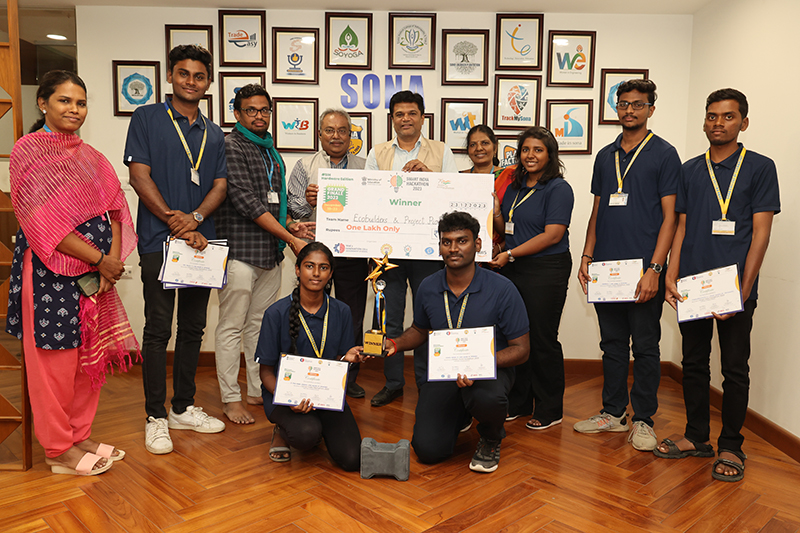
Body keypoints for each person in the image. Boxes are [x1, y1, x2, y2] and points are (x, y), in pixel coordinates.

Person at [7, 70, 139, 475]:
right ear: (42, 103)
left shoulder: (91, 157)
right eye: (64, 100)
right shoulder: (29, 151)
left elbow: (115, 212)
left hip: (95, 277)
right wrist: (101, 260)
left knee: (86, 359)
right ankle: (58, 449)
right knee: (55, 364)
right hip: (49, 275)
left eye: (80, 103)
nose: (74, 109)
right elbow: (42, 222)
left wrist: (110, 263)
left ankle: (79, 435)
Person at [656, 89, 780, 483]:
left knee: (734, 369)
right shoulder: (690, 169)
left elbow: (761, 233)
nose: (718, 123)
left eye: (728, 116)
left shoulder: (760, 167)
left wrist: (744, 289)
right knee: (693, 364)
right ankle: (697, 437)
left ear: (744, 122)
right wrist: (670, 274)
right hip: (692, 284)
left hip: (734, 287)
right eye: (712, 116)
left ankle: (731, 445)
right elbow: (682, 226)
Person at [124, 45, 227, 454]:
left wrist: (196, 219)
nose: (191, 81)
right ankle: (155, 416)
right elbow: (138, 176)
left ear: (208, 82)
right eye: (183, 73)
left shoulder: (214, 132)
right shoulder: (147, 117)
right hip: (158, 240)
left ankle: (183, 407)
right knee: (158, 328)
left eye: (199, 76)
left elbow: (219, 185)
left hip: (202, 242)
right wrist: (174, 220)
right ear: (170, 76)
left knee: (193, 328)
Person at [574, 80, 681, 451]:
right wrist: (586, 256)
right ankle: (613, 413)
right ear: (616, 108)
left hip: (644, 272)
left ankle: (644, 420)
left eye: (638, 104)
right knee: (612, 345)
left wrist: (655, 269)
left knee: (646, 346)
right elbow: (597, 210)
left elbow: (671, 218)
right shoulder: (605, 156)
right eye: (623, 104)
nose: (629, 110)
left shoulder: (665, 154)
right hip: (607, 270)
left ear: (651, 109)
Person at [385, 212, 529, 473]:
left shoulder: (502, 289)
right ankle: (460, 413)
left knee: (488, 398)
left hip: (489, 373)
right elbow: (419, 330)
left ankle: (491, 436)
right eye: (446, 242)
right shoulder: (428, 286)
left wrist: (479, 364)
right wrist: (394, 344)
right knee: (428, 450)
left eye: (462, 241)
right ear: (439, 246)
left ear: (477, 244)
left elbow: (521, 350)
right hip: (445, 373)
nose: (453, 248)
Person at [214, 84, 313, 425]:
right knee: (231, 326)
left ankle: (257, 388)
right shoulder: (231, 146)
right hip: (239, 252)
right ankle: (230, 398)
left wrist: (291, 226)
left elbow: (273, 203)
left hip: (269, 253)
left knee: (258, 325)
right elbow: (246, 202)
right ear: (237, 113)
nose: (259, 116)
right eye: (251, 110)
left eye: (264, 110)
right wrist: (290, 238)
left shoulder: (271, 151)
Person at [365, 90, 459, 406]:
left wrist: (429, 177)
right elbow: (367, 197)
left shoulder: (442, 151)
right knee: (389, 319)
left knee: (427, 318)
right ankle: (393, 382)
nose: (406, 119)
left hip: (428, 250)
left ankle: (426, 382)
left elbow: (455, 195)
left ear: (422, 117)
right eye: (399, 114)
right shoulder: (377, 153)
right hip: (388, 251)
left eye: (412, 113)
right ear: (392, 119)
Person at [490, 126, 574, 430]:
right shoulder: (514, 186)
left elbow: (553, 235)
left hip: (546, 269)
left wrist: (510, 254)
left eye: (538, 149)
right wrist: (496, 211)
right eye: (525, 149)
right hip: (515, 267)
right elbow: (508, 226)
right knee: (516, 336)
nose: (530, 155)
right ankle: (520, 401)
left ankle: (550, 408)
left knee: (541, 338)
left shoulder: (558, 188)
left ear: (550, 154)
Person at [255, 243, 366, 471]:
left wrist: (347, 359)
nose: (316, 273)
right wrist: (289, 399)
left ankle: (321, 425)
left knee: (352, 459)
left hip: (326, 395)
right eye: (309, 266)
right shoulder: (276, 313)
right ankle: (283, 430)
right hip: (285, 397)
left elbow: (338, 364)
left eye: (323, 267)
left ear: (331, 273)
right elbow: (265, 372)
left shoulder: (342, 311)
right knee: (306, 435)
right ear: (297, 270)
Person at [287, 108, 369, 400]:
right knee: (309, 312)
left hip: (353, 254)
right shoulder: (304, 165)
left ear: (350, 135)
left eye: (342, 130)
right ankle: (308, 373)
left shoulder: (365, 167)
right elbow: (292, 210)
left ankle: (348, 376)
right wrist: (307, 202)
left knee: (352, 316)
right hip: (315, 253)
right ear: (320, 134)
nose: (336, 136)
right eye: (330, 130)